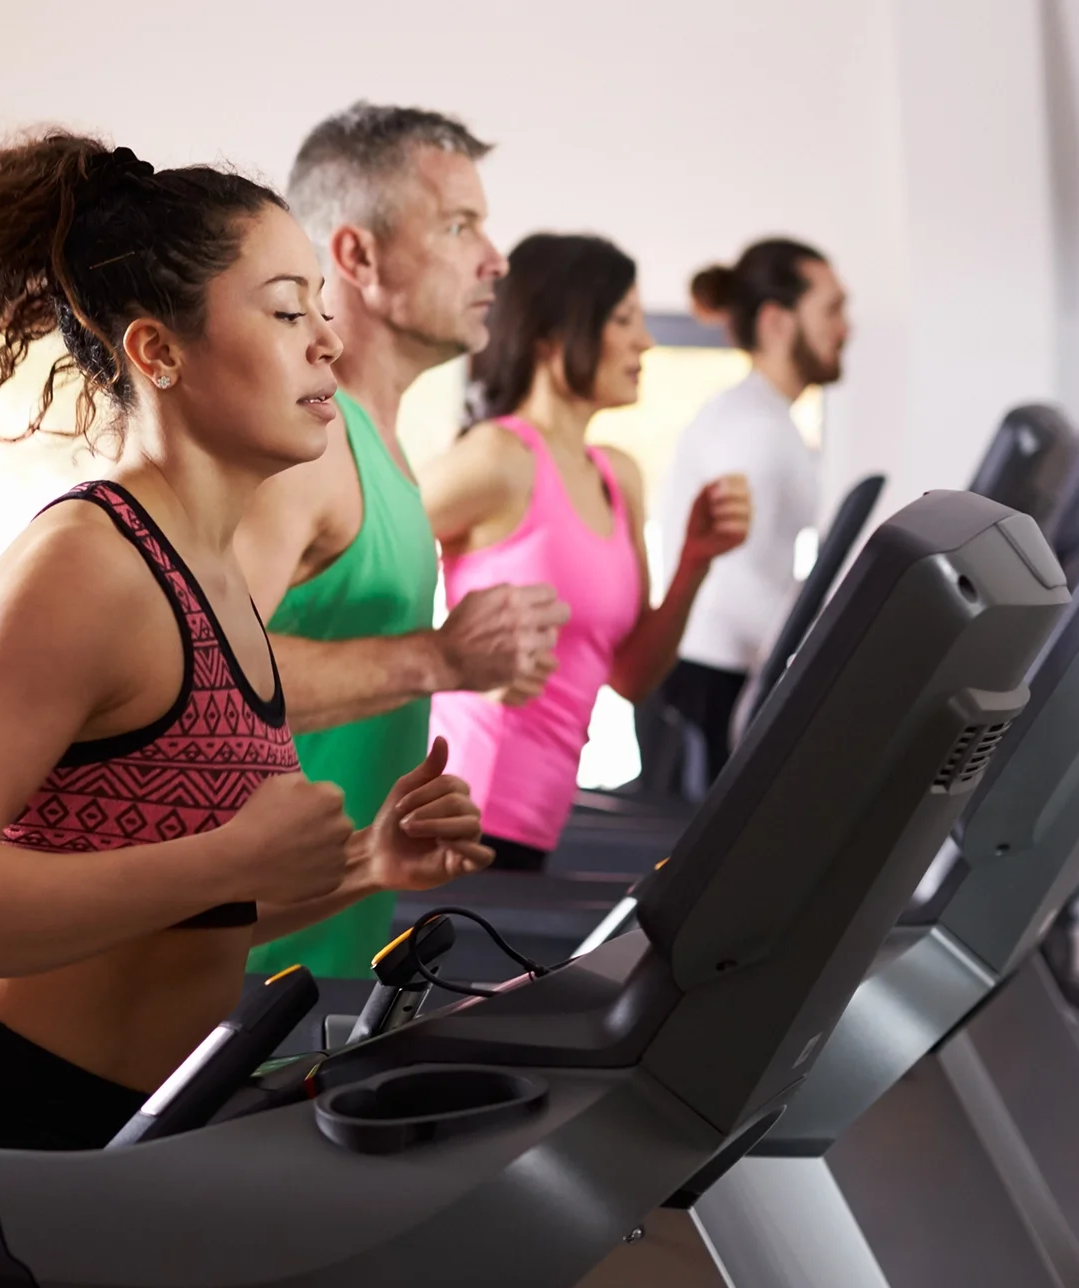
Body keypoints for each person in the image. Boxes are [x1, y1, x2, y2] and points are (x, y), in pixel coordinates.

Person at [0, 116, 492, 1288]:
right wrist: (232, 858)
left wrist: (363, 863)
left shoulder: (217, 577)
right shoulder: (91, 564)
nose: (327, 339)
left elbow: (161, 921)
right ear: (157, 350)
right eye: (286, 310)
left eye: (319, 308)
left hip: (115, 1153)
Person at [235, 103, 569, 976]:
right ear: (357, 257)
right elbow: (199, 682)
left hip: (326, 970)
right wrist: (437, 659)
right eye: (458, 226)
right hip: (238, 993)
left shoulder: (382, 448)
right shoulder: (307, 448)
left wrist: (468, 661)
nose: (495, 258)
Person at [421, 234, 752, 872]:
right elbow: (354, 558)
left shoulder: (616, 475)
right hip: (461, 812)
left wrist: (695, 561)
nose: (644, 342)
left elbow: (630, 678)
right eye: (623, 320)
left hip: (538, 820)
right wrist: (445, 658)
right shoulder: (498, 458)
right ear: (551, 336)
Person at [646, 239, 849, 787]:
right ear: (777, 322)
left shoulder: (768, 419)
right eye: (832, 310)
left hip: (725, 674)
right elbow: (738, 577)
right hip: (711, 684)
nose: (845, 328)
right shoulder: (752, 428)